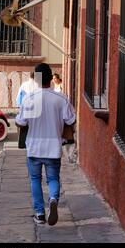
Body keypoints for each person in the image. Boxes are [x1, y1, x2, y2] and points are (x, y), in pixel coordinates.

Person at [15, 63, 76, 226]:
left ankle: (40, 214)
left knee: (35, 179)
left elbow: (20, 122)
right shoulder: (61, 98)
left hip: (34, 148)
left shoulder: (29, 98)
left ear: (37, 80)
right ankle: (54, 198)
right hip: (53, 147)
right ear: (51, 79)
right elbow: (71, 120)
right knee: (52, 178)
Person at [16, 72, 38, 149]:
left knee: (24, 126)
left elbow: (19, 98)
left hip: (26, 108)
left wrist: (20, 108)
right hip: (36, 109)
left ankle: (23, 144)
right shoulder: (38, 85)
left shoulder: (24, 84)